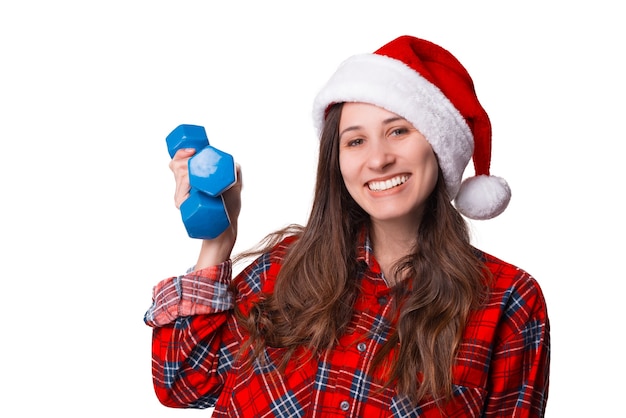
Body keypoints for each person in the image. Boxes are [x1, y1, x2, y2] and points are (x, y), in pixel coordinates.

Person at [144, 35, 550, 417]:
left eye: (398, 131)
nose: (378, 160)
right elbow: (183, 385)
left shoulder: (508, 300)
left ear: (439, 146)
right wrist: (216, 245)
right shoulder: (283, 268)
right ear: (337, 163)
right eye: (355, 141)